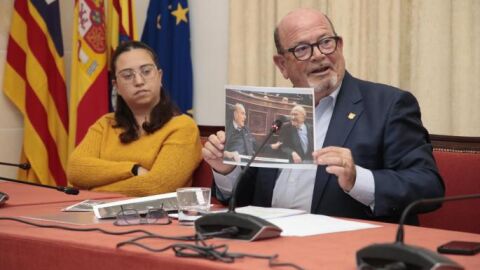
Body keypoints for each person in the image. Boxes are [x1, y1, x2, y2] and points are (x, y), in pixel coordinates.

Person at [202, 8, 444, 223]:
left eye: (326, 42)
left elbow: (428, 187)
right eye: (302, 49)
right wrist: (228, 173)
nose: (318, 55)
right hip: (268, 246)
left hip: (346, 251)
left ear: (339, 46)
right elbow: (245, 201)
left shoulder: (389, 105)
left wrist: (358, 178)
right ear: (282, 65)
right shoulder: (273, 111)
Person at [67, 41, 202, 197]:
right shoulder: (106, 124)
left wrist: (93, 191)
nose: (139, 81)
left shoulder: (182, 127)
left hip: (153, 219)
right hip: (96, 216)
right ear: (116, 86)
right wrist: (133, 169)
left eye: (146, 71)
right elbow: (75, 170)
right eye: (127, 75)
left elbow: (156, 187)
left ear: (159, 76)